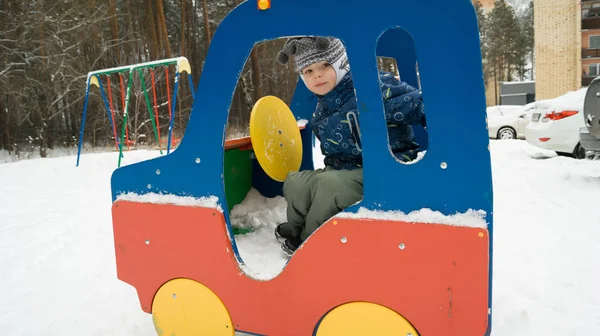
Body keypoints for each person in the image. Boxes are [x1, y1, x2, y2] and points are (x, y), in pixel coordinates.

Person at [274, 36, 426, 256]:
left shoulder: (371, 88)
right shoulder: (321, 109)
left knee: (329, 187)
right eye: (308, 71)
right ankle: (297, 229)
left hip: (386, 172)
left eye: (325, 65)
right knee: (296, 183)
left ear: (341, 64)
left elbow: (417, 103)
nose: (317, 74)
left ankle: (309, 243)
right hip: (346, 171)